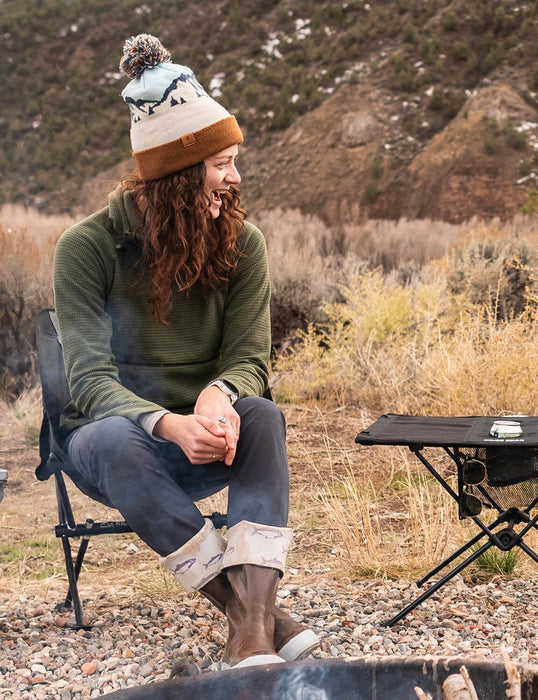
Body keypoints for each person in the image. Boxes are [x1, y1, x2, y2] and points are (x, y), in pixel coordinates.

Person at [52, 34, 319, 670]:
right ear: (174, 176)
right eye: (220, 163)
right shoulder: (86, 247)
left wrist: (218, 396)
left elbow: (251, 359)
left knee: (263, 416)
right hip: (115, 452)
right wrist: (168, 422)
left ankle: (251, 632)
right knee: (115, 436)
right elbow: (88, 380)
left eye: (233, 161)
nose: (234, 178)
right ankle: (253, 618)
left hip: (207, 439)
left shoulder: (243, 244)